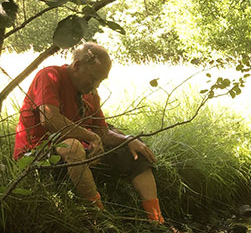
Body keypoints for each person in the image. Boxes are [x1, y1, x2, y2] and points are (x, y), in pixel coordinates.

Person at [13, 42, 165, 223]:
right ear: (77, 66)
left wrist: (128, 139)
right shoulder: (50, 75)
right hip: (35, 155)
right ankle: (98, 218)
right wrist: (90, 136)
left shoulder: (90, 93)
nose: (96, 85)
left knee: (135, 152)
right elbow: (50, 119)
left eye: (101, 80)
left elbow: (103, 132)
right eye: (94, 79)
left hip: (76, 159)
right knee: (72, 146)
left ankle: (156, 219)